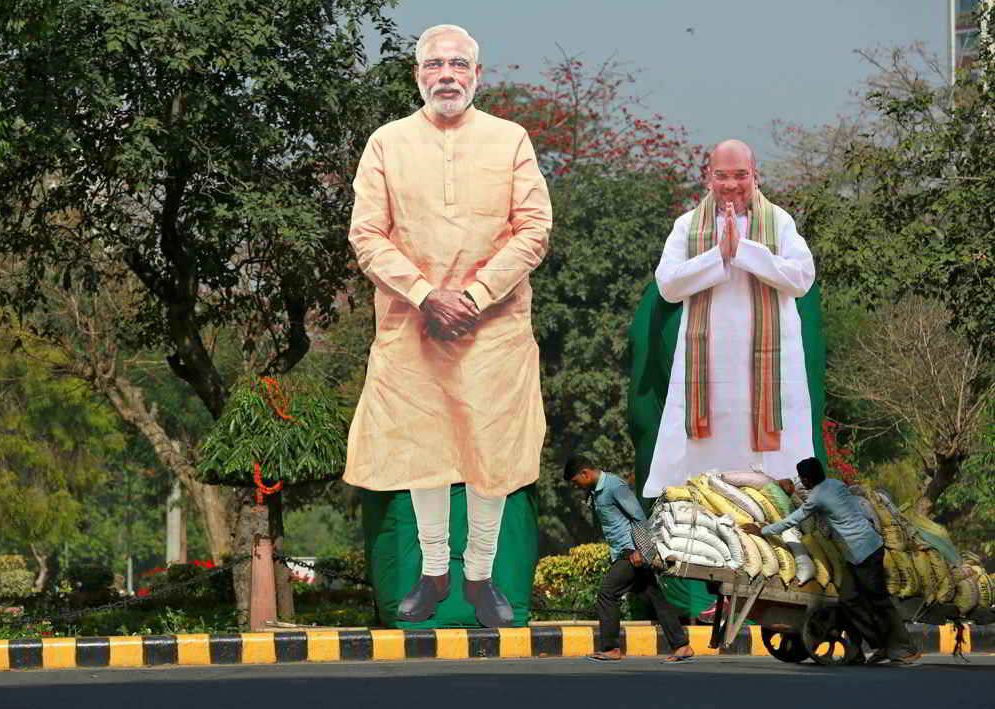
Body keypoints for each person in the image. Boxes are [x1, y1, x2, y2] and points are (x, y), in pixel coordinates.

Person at [344, 24, 552, 628]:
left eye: (458, 64)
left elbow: (533, 229)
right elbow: (366, 233)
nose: (447, 75)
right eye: (434, 64)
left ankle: (480, 576)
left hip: (496, 330)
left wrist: (478, 295)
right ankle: (435, 574)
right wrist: (426, 294)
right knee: (423, 451)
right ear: (418, 75)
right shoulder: (386, 142)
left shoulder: (510, 139)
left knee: (490, 454)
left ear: (477, 75)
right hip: (413, 325)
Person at [644, 140, 817, 498]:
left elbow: (801, 279)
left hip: (771, 367)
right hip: (709, 371)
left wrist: (744, 251)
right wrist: (717, 256)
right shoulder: (687, 225)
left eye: (741, 175)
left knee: (778, 468)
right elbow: (668, 285)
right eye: (722, 175)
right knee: (703, 471)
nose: (731, 184)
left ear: (755, 176)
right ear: (708, 177)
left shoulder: (779, 222)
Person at [742, 457, 922, 666]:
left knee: (879, 602)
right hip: (859, 553)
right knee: (848, 600)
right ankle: (881, 643)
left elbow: (793, 519)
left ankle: (906, 649)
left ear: (807, 479)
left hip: (865, 551)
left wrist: (763, 530)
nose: (802, 482)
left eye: (802, 478)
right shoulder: (835, 485)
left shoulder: (817, 497)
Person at [564, 455, 695, 663]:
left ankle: (610, 648)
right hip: (624, 552)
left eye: (575, 481)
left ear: (585, 474)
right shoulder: (595, 491)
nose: (575, 486)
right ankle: (681, 645)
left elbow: (638, 516)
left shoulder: (615, 486)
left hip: (631, 553)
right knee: (653, 595)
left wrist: (639, 550)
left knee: (607, 593)